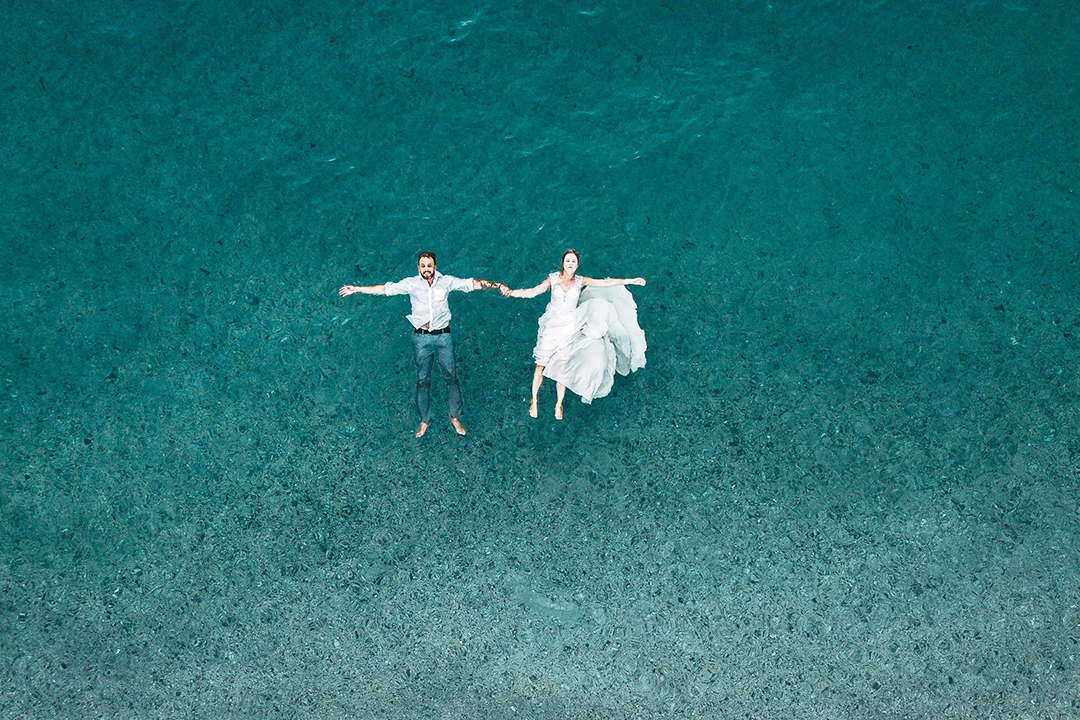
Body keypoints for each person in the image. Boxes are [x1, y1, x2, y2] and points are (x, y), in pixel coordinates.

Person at [339, 251, 509, 437]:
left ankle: (454, 416)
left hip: (444, 336)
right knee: (423, 380)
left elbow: (472, 284)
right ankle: (424, 420)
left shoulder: (447, 281)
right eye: (423, 266)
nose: (426, 269)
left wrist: (497, 285)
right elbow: (385, 289)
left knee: (451, 378)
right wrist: (357, 289)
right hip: (421, 338)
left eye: (429, 265)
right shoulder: (411, 284)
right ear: (418, 267)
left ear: (435, 267)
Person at [506, 249, 646, 419]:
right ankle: (534, 400)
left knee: (563, 364)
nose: (570, 263)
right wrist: (513, 293)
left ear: (577, 265)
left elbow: (605, 283)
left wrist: (632, 280)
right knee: (540, 364)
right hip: (552, 325)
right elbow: (534, 291)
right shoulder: (553, 279)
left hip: (570, 326)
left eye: (573, 261)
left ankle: (559, 405)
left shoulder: (581, 281)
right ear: (563, 263)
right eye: (568, 261)